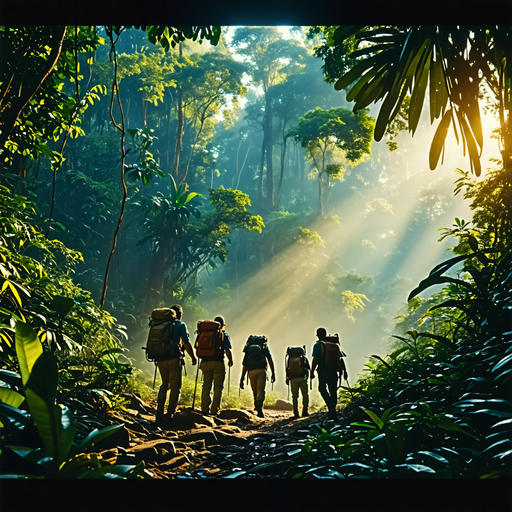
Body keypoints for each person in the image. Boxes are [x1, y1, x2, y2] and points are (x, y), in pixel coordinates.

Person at [156, 304, 197, 422]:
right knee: (175, 387)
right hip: (174, 359)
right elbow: (186, 343)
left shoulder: (159, 324)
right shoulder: (180, 325)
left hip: (160, 358)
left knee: (164, 384)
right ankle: (170, 414)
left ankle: (159, 413)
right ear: (180, 315)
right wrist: (193, 357)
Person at [310, 327, 348, 421]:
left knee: (322, 389)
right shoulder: (335, 345)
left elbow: (315, 359)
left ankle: (331, 408)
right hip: (334, 371)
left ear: (317, 335)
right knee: (333, 391)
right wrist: (345, 372)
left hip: (323, 371)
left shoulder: (318, 345)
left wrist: (312, 371)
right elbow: (341, 359)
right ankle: (332, 411)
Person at [200, 315, 234, 416]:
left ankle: (204, 409)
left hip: (205, 362)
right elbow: (227, 350)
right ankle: (214, 410)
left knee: (206, 386)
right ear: (223, 325)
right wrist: (230, 360)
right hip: (218, 363)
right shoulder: (223, 335)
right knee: (217, 387)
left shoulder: (205, 333)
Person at [239, 337, 276, 418]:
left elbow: (245, 364)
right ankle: (259, 404)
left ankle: (256, 405)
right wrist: (273, 373)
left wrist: (242, 378)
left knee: (254, 390)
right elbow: (270, 359)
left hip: (251, 371)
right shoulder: (264, 347)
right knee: (260, 390)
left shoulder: (248, 348)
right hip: (261, 370)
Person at [285, 348, 310, 419]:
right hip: (302, 378)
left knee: (295, 397)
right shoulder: (303, 359)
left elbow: (287, 369)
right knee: (305, 395)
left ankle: (296, 412)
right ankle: (305, 411)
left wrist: (287, 378)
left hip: (293, 379)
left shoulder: (289, 359)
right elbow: (308, 367)